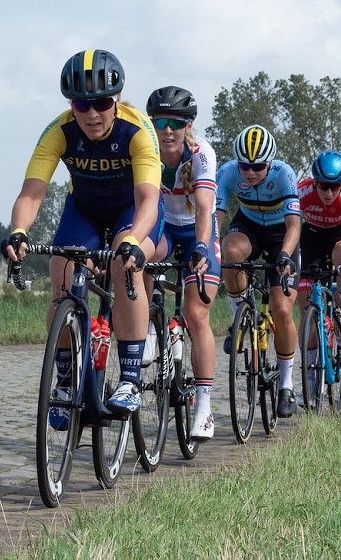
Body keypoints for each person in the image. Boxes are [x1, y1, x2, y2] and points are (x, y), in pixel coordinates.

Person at [3, 49, 163, 419]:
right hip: (85, 211)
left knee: (127, 266)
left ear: (116, 100)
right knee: (61, 278)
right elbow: (31, 193)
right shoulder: (59, 130)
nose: (92, 113)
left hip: (131, 212)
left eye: (102, 103)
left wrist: (134, 239)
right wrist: (18, 231)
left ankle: (130, 377)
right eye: (81, 104)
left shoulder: (137, 130)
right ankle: (63, 379)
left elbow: (148, 200)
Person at [145, 86, 220, 441]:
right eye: (160, 121)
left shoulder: (201, 153)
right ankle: (147, 326)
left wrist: (203, 248)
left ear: (188, 124)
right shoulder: (143, 149)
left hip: (195, 232)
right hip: (163, 228)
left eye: (176, 122)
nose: (168, 130)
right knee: (141, 255)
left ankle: (203, 407)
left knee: (196, 314)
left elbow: (205, 208)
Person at [215, 125, 300, 418]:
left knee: (282, 309)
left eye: (258, 166)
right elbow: (217, 216)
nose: (250, 173)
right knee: (230, 250)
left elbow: (293, 225)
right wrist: (211, 248)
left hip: (281, 236)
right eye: (244, 166)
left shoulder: (284, 174)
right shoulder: (227, 173)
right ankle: (238, 314)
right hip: (249, 225)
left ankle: (287, 385)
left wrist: (286, 255)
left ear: (270, 162)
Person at [295, 151, 341, 360]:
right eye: (323, 186)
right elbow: (288, 224)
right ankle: (310, 378)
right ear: (315, 182)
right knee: (306, 306)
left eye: (335, 187)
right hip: (312, 236)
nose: (329, 192)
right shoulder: (302, 190)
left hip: (340, 236)